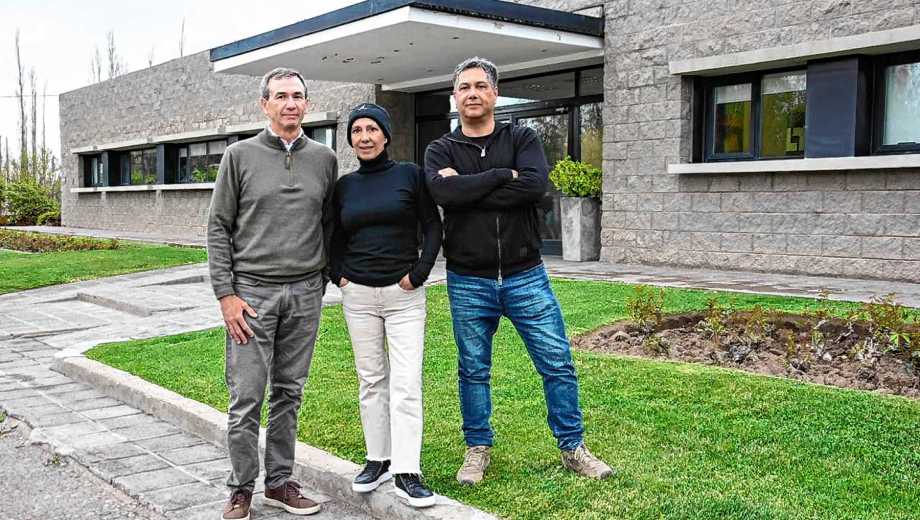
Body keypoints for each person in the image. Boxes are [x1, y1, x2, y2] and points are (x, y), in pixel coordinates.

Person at [424, 57, 614, 485]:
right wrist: (498, 176)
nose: (472, 93)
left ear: (495, 93)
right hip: (468, 278)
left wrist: (469, 187)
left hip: (525, 274)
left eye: (480, 86)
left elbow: (534, 186)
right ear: (455, 98)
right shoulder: (440, 150)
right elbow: (443, 192)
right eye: (464, 87)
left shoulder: (523, 137)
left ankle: (572, 447)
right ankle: (478, 449)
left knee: (557, 361)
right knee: (473, 369)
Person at [207, 67, 337, 520]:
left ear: (307, 103)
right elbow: (219, 227)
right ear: (264, 104)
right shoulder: (238, 156)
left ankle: (279, 483)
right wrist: (226, 294)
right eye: (280, 96)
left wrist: (320, 280)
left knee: (290, 392)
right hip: (251, 297)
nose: (290, 104)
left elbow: (329, 223)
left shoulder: (324, 158)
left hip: (304, 293)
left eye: (298, 96)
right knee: (246, 396)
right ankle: (241, 487)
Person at [330, 103, 443, 508]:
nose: (364, 136)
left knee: (406, 382)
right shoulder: (344, 187)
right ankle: (378, 458)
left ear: (386, 135)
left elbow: (432, 226)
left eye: (371, 129)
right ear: (351, 140)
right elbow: (333, 236)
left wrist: (419, 272)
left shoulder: (410, 176)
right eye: (357, 130)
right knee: (371, 379)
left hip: (404, 296)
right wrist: (336, 274)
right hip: (358, 296)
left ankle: (407, 470)